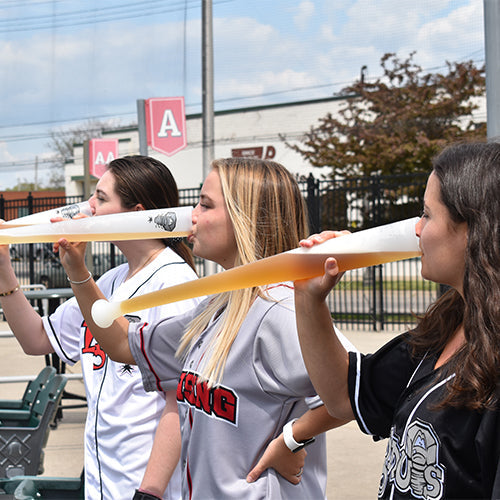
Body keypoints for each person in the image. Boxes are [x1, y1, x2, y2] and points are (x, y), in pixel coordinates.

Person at [56, 157, 355, 500]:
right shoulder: (215, 310)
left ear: (246, 218)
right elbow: (123, 343)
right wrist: (77, 271)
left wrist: (293, 438)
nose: (192, 215)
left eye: (205, 204)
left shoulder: (281, 310)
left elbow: (354, 392)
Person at [294, 141, 500, 499]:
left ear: (473, 228)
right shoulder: (447, 326)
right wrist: (309, 298)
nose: (417, 229)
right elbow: (345, 397)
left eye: (427, 214)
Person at [0, 155, 202, 500]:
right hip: (101, 478)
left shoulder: (176, 283)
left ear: (135, 212)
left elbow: (180, 402)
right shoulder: (110, 280)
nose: (88, 207)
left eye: (101, 198)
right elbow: (36, 339)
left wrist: (149, 492)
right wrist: (4, 270)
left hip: (147, 483)